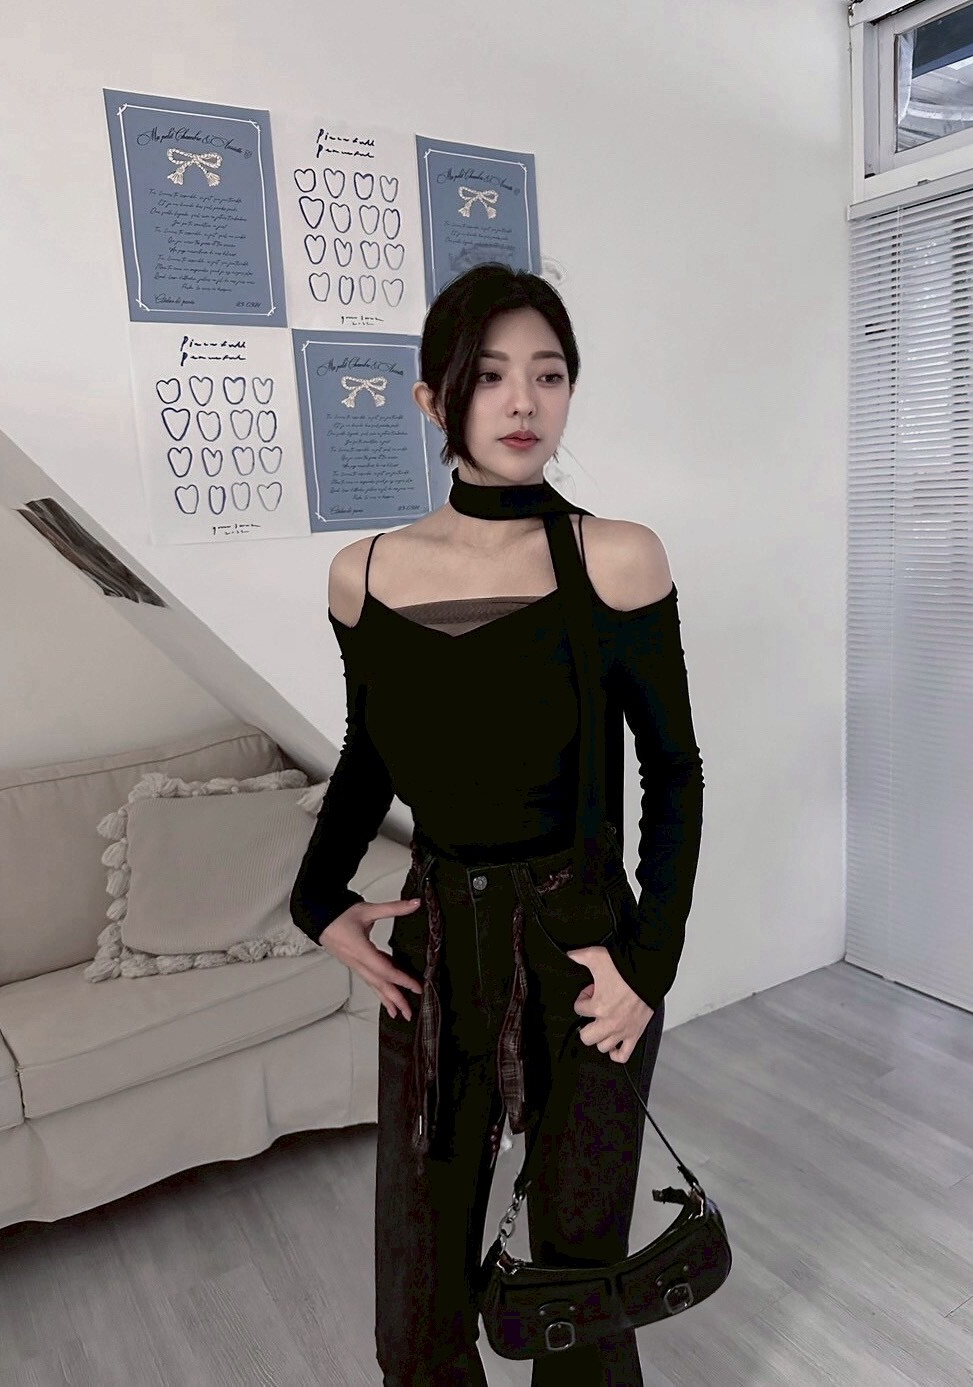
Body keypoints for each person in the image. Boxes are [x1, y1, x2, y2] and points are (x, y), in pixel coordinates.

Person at [290, 262, 704, 1387]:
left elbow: (674, 773)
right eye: (489, 375)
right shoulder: (364, 575)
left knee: (577, 1299)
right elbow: (369, 754)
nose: (523, 402)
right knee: (416, 1317)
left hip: (581, 948)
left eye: (549, 374)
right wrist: (318, 901)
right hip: (435, 954)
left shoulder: (617, 557)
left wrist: (647, 965)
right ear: (435, 399)